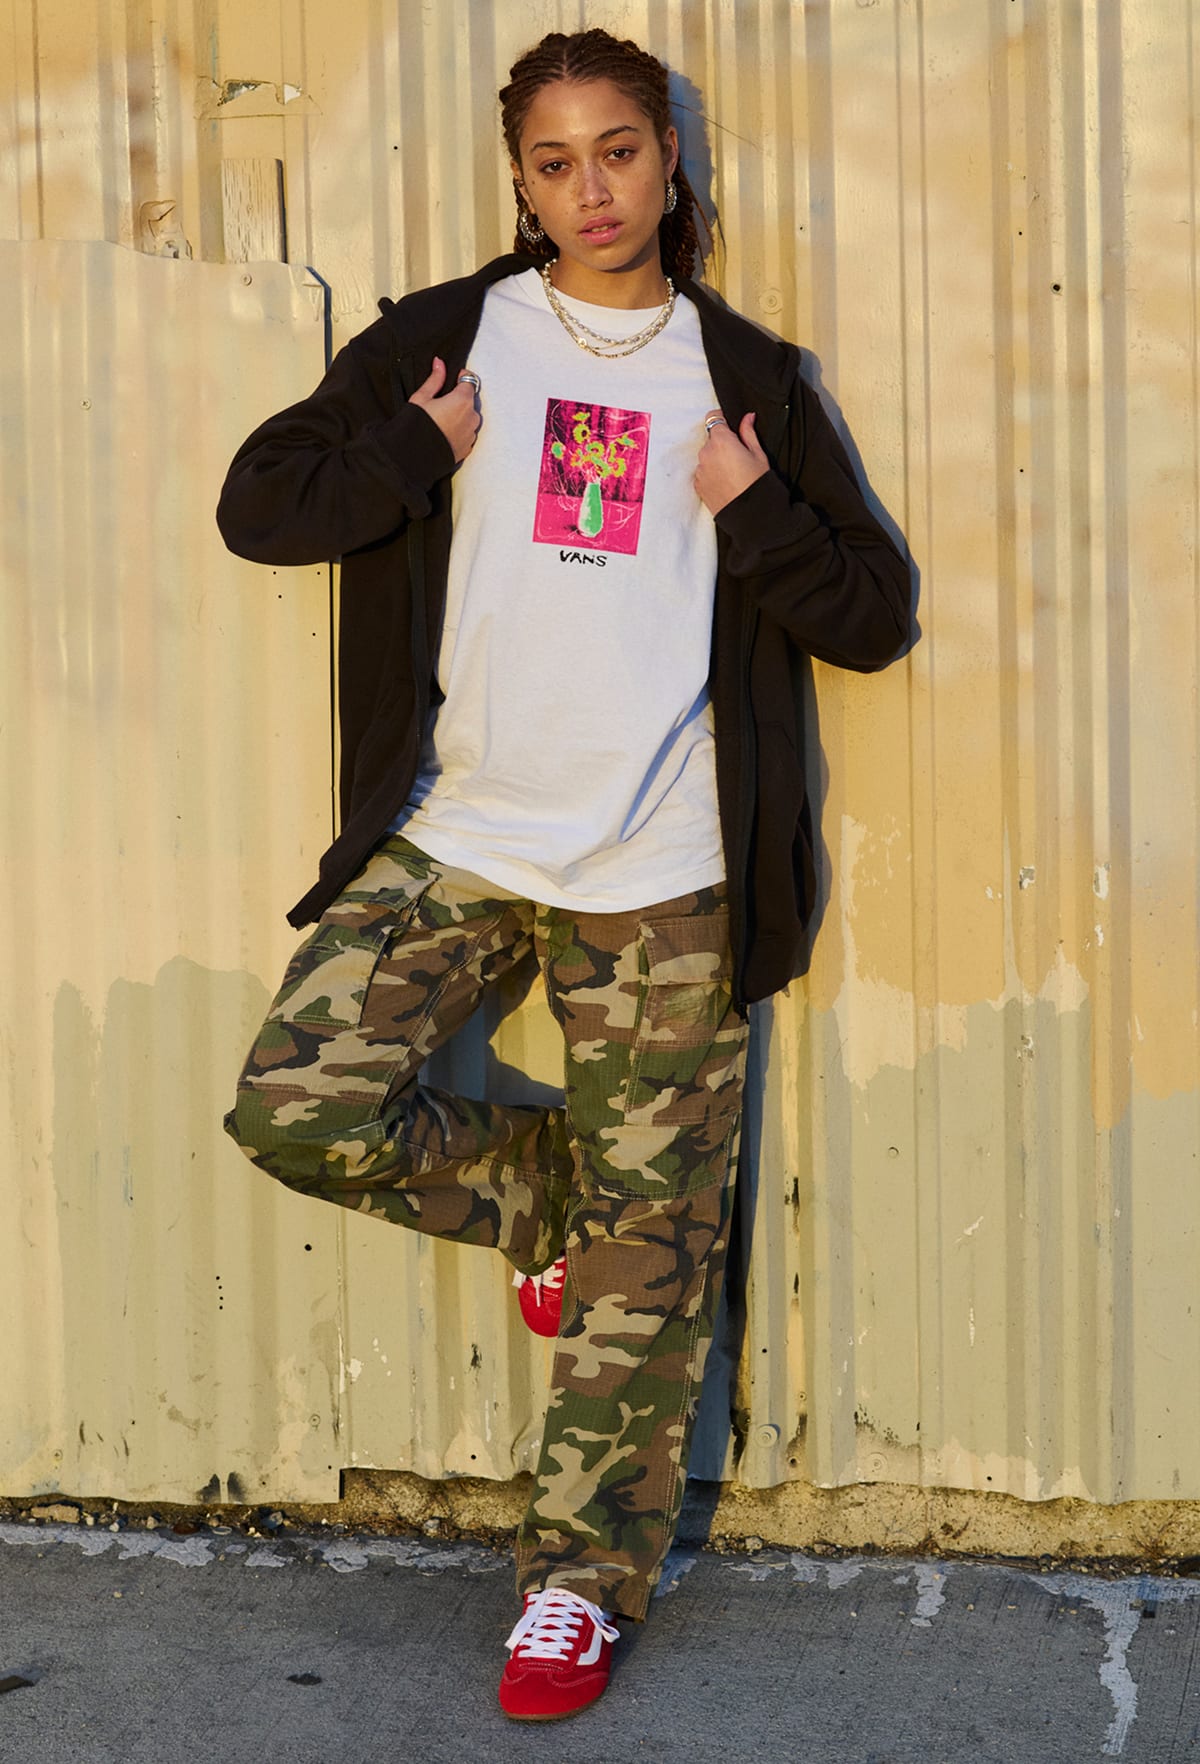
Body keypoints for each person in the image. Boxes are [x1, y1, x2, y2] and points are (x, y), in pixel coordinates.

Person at [217, 26, 910, 1723]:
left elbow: (870, 618)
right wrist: (410, 457)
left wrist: (753, 511)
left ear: (670, 161)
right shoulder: (450, 342)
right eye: (553, 160)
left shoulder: (744, 373)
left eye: (619, 151)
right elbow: (262, 505)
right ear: (517, 179)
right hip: (462, 827)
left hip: (665, 863)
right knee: (297, 1105)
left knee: (651, 1268)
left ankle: (577, 1589)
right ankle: (553, 1199)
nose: (590, 189)